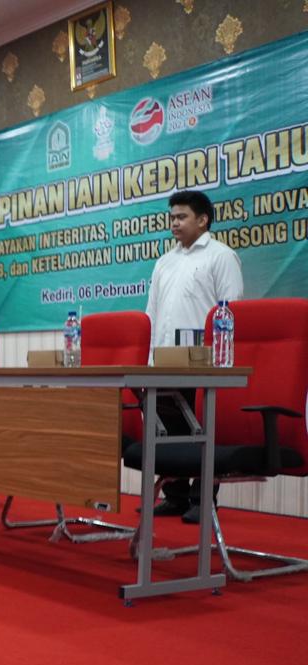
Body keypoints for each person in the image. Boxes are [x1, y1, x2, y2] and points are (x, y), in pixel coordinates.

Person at [144, 189, 243, 524]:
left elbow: (231, 310)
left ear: (202, 220)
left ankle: (203, 501)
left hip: (203, 363)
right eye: (172, 217)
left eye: (182, 216)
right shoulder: (164, 262)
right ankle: (174, 496)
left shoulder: (221, 256)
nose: (174, 223)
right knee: (168, 430)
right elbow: (152, 313)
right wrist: (149, 361)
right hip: (164, 362)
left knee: (203, 431)